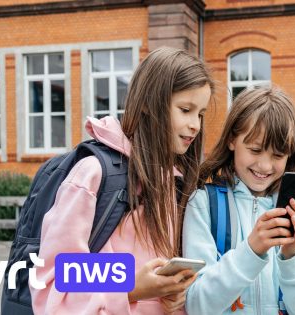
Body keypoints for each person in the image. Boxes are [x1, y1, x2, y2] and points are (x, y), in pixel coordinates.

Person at [31, 46, 215, 314]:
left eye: (200, 114)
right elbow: (55, 282)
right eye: (185, 109)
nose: (195, 125)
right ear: (149, 105)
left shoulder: (177, 184)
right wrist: (131, 288)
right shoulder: (93, 175)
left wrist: (180, 295)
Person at [182, 86, 295, 314]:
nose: (265, 166)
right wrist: (251, 250)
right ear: (231, 140)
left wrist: (293, 256)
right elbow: (197, 305)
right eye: (255, 150)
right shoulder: (203, 203)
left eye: (278, 155)